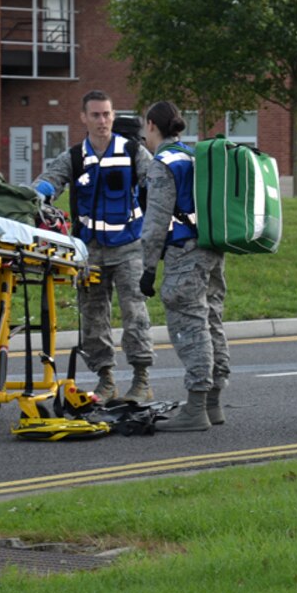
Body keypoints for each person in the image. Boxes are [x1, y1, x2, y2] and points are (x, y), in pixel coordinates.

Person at [35, 90, 157, 402]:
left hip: (129, 247)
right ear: (83, 118)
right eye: (95, 115)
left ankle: (142, 381)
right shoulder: (74, 157)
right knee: (93, 317)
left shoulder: (132, 151)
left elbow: (158, 183)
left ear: (113, 115)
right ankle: (106, 381)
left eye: (107, 114)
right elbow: (48, 182)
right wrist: (35, 195)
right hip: (89, 252)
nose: (102, 121)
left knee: (135, 314)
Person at [136, 101, 229, 431]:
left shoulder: (162, 164)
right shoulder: (192, 156)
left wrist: (148, 269)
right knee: (211, 319)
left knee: (190, 325)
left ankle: (196, 407)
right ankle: (214, 402)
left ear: (151, 125)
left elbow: (156, 221)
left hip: (185, 253)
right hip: (211, 249)